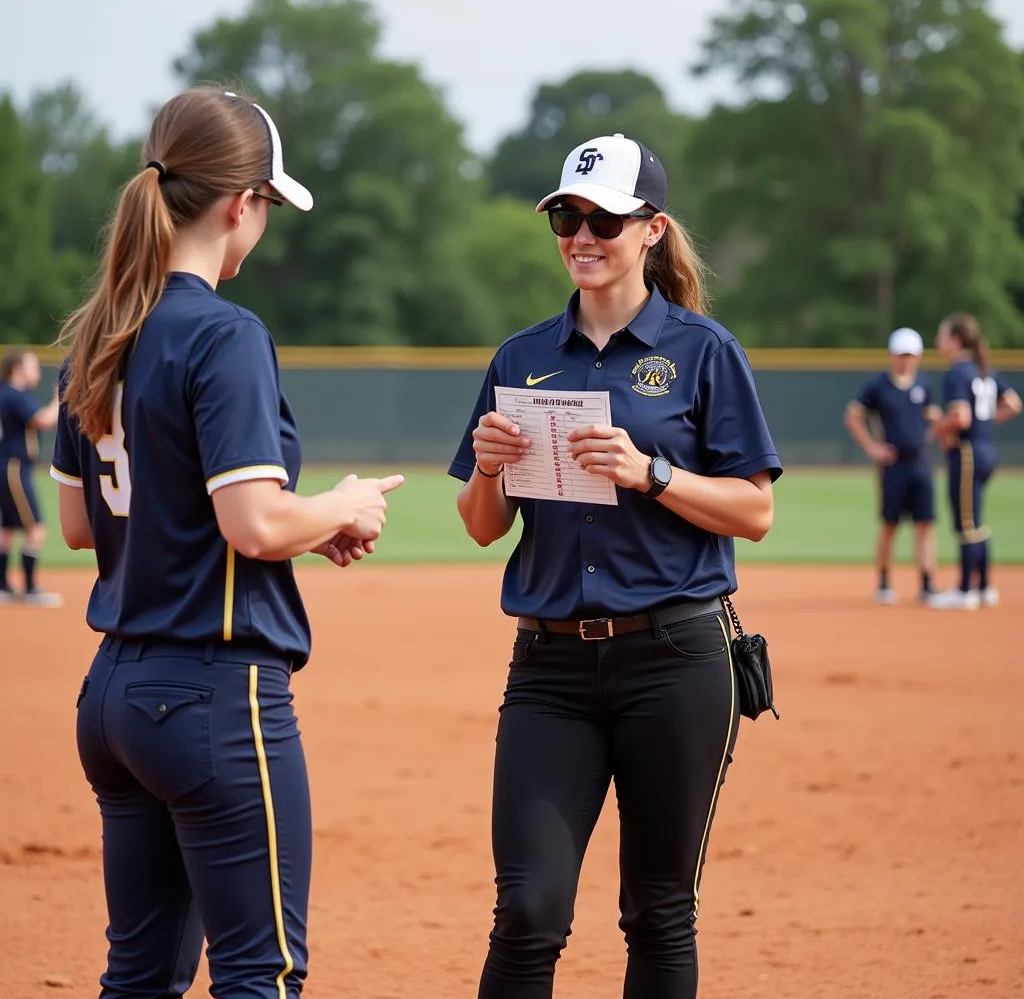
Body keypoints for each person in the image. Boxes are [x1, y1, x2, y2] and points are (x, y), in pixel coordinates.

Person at [49, 87, 403, 998]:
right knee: (260, 975)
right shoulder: (223, 332)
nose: (262, 226)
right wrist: (341, 505)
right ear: (239, 204)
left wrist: (295, 526)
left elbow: (84, 524)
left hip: (114, 696)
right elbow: (252, 522)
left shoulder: (97, 333)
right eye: (267, 208)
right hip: (214, 695)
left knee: (139, 976)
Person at [449, 133, 782, 999]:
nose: (582, 234)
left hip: (675, 660)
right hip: (549, 667)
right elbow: (484, 528)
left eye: (604, 217)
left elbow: (756, 511)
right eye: (567, 215)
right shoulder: (522, 357)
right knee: (527, 910)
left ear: (652, 230)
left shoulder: (706, 352)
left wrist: (653, 473)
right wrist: (487, 466)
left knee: (659, 912)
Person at [926, 313, 1021, 610]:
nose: (938, 342)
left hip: (966, 453)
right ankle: (984, 586)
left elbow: (961, 416)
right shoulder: (983, 369)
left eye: (942, 336)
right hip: (985, 450)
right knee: (975, 520)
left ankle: (966, 589)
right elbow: (1014, 404)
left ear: (955, 341)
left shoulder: (958, 372)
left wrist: (935, 427)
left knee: (966, 521)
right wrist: (986, 422)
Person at [843, 328, 940, 604]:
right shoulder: (878, 386)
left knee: (925, 524)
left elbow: (932, 416)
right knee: (890, 524)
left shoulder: (924, 385)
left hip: (920, 463)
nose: (906, 360)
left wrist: (932, 433)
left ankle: (927, 582)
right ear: (892, 355)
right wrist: (873, 447)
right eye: (901, 355)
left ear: (918, 356)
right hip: (893, 465)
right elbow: (853, 416)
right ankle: (884, 582)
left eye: (910, 355)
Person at [0, 349, 62, 605]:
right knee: (35, 527)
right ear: (17, 369)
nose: (36, 372)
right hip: (14, 467)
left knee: (7, 529)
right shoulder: (15, 394)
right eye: (32, 367)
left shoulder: (6, 393)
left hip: (7, 466)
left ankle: (3, 587)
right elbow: (43, 421)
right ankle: (30, 588)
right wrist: (60, 400)